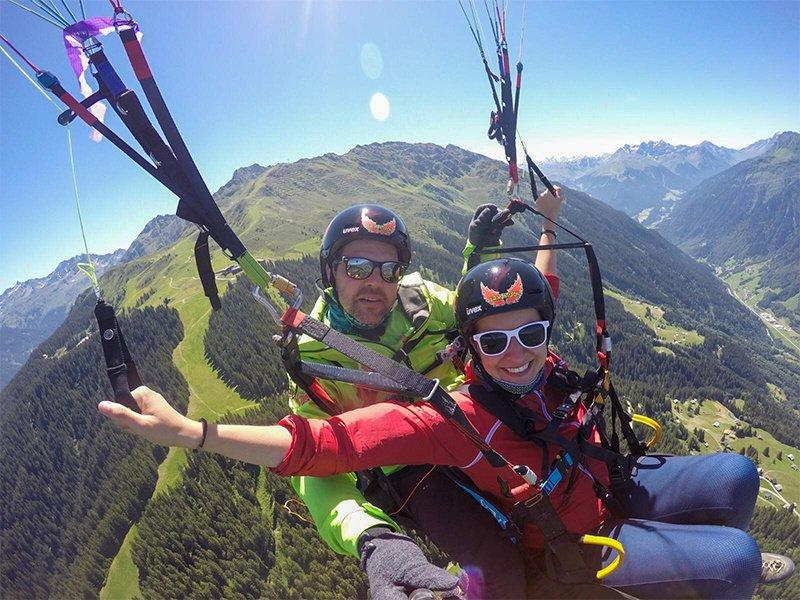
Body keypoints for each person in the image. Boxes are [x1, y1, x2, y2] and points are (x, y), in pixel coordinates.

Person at [99, 252, 795, 598]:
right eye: (494, 343)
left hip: (602, 481)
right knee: (734, 564)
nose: (516, 353)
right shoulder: (448, 418)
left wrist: (545, 228)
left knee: (739, 472)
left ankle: (697, 548)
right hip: (579, 537)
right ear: (468, 350)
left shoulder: (538, 359)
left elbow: (535, 288)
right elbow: (323, 445)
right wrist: (192, 434)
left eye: (529, 336)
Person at [265, 200, 556, 598]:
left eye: (389, 270)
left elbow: (478, 315)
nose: (375, 282)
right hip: (409, 470)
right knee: (497, 566)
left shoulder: (421, 301)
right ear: (329, 271)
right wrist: (372, 539)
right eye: (357, 267)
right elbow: (316, 464)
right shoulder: (314, 358)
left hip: (470, 426)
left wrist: (482, 251)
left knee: (552, 521)